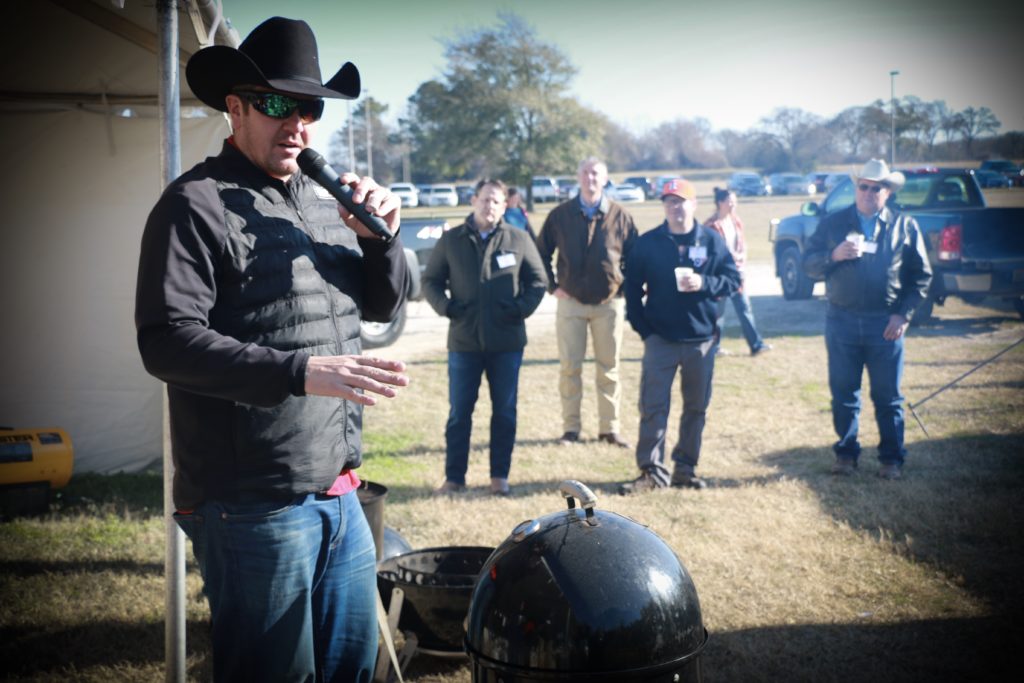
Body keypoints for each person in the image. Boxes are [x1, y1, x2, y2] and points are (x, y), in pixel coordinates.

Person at [134, 17, 410, 682]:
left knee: (349, 671)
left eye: (309, 107)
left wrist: (382, 240)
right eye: (277, 104)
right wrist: (299, 371)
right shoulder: (193, 205)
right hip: (249, 503)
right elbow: (166, 341)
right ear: (235, 106)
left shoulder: (326, 203)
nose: (297, 124)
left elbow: (384, 306)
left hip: (341, 494)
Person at [803, 159, 932, 480]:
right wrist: (833, 256)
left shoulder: (905, 225)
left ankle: (891, 459)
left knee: (888, 397)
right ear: (855, 188)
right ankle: (845, 456)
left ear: (887, 192)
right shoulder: (834, 223)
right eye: (864, 186)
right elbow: (808, 264)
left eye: (877, 188)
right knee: (845, 394)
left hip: (884, 325)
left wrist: (903, 315)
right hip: (841, 320)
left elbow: (921, 276)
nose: (869, 193)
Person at [423, 179, 548, 495]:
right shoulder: (451, 240)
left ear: (505, 206)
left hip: (507, 343)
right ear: (474, 200)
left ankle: (499, 477)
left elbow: (538, 281)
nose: (489, 206)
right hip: (464, 342)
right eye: (485, 199)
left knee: (504, 412)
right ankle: (454, 478)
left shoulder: (518, 239)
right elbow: (431, 281)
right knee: (459, 413)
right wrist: (448, 307)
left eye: (496, 201)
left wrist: (519, 309)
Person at [620, 179, 741, 493]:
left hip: (700, 341)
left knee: (696, 408)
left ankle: (685, 470)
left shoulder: (711, 240)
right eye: (669, 201)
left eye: (681, 201)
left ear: (694, 204)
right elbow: (631, 290)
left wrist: (703, 283)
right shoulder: (648, 243)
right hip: (660, 339)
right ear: (664, 206)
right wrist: (645, 331)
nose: (675, 207)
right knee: (653, 407)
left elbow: (731, 279)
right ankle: (651, 472)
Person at [536, 157, 638, 448]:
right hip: (571, 304)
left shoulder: (620, 216)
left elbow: (636, 257)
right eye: (585, 173)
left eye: (595, 174)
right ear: (578, 178)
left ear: (605, 179)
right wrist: (552, 286)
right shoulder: (560, 215)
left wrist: (623, 288)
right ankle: (570, 429)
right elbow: (540, 254)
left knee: (610, 368)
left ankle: (610, 429)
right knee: (570, 368)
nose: (590, 178)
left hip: (609, 304)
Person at [704, 187, 771, 356]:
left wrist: (742, 258)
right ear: (720, 203)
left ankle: (756, 345)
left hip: (737, 275)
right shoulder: (711, 225)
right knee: (717, 313)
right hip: (719, 276)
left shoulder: (736, 221)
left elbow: (742, 244)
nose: (733, 204)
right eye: (729, 201)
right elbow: (709, 252)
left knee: (744, 308)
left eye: (735, 201)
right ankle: (714, 347)